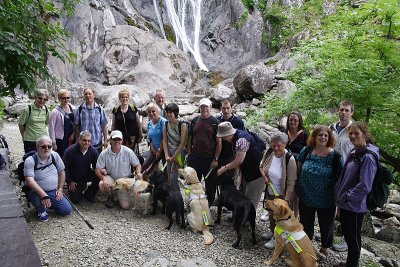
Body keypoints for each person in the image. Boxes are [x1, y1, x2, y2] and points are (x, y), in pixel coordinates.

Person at [334, 122, 377, 267]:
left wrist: (346, 197)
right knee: (349, 234)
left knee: (353, 237)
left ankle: (353, 264)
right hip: (347, 203)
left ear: (364, 134)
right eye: (350, 133)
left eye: (356, 133)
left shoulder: (368, 157)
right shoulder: (355, 150)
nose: (352, 136)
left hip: (355, 205)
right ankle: (350, 262)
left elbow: (365, 186)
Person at [297, 125, 342, 257]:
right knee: (305, 221)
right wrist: (297, 187)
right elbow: (299, 170)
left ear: (329, 138)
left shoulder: (335, 156)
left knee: (326, 223)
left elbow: (340, 176)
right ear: (314, 137)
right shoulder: (306, 151)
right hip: (306, 194)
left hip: (326, 197)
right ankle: (306, 243)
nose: (323, 137)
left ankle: (324, 246)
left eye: (326, 135)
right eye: (320, 135)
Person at [259, 131, 297, 249]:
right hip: (270, 191)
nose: (275, 148)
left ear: (285, 144)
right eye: (273, 145)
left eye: (278, 145)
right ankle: (272, 232)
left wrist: (286, 200)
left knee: (281, 217)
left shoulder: (289, 159)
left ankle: (278, 239)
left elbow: (291, 182)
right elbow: (261, 166)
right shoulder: (269, 152)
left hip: (283, 194)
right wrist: (265, 177)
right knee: (271, 213)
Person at [216, 122, 264, 210]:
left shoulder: (242, 140)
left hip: (257, 174)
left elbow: (239, 160)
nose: (223, 139)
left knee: (250, 199)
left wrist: (224, 168)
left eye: (223, 137)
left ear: (229, 134)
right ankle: (241, 218)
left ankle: (248, 222)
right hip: (247, 173)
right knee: (244, 196)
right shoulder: (236, 135)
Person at [23, 135, 72, 222]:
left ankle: (49, 203)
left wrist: (60, 189)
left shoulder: (55, 156)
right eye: (43, 146)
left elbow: (62, 172)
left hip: (53, 190)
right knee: (38, 199)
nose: (46, 148)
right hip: (36, 191)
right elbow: (29, 181)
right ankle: (41, 210)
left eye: (49, 146)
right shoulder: (30, 161)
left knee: (66, 210)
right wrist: (43, 195)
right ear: (37, 147)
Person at [330, 100, 354, 252]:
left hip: (348, 173)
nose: (343, 112)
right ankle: (328, 233)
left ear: (352, 112)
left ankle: (346, 239)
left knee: (346, 207)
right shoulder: (331, 128)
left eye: (346, 110)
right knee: (330, 204)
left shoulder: (354, 130)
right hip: (331, 172)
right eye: (341, 110)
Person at [96, 130, 143, 209]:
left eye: (119, 139)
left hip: (124, 181)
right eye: (114, 139)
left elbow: (137, 164)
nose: (117, 141)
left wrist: (138, 173)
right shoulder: (104, 153)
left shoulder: (128, 151)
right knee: (101, 184)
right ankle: (110, 196)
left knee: (125, 206)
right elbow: (97, 170)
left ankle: (118, 195)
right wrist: (103, 178)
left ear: (122, 140)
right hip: (111, 178)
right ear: (110, 140)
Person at [188, 98, 221, 206]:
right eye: (202, 106)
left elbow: (219, 142)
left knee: (210, 184)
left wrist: (216, 159)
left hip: (209, 158)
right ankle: (194, 203)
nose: (204, 109)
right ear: (199, 107)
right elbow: (190, 138)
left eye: (206, 106)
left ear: (210, 107)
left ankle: (208, 204)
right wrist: (189, 153)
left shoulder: (215, 122)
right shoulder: (194, 121)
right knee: (193, 182)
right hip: (195, 157)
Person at [282, 111, 308, 219]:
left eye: (295, 120)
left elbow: (308, 152)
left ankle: (295, 216)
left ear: (299, 121)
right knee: (283, 189)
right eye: (291, 120)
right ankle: (283, 212)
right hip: (283, 165)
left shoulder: (305, 135)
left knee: (296, 192)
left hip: (298, 167)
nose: (293, 122)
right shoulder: (283, 132)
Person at [63, 130, 99, 204]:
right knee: (75, 199)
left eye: (89, 141)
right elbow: (64, 168)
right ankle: (80, 188)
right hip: (74, 179)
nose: (87, 143)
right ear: (79, 140)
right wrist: (69, 181)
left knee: (99, 176)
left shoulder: (93, 151)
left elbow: (97, 166)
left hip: (86, 175)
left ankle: (89, 193)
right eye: (84, 140)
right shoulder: (70, 150)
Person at [216, 99, 245, 189]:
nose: (226, 111)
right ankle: (222, 197)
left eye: (228, 108)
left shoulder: (238, 121)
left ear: (232, 108)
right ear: (220, 108)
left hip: (232, 154)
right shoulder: (217, 120)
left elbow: (242, 139)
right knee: (220, 178)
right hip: (220, 154)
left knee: (230, 179)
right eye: (224, 108)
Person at [74, 87, 109, 154]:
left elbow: (104, 125)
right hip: (83, 142)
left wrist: (105, 140)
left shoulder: (100, 109)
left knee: (96, 162)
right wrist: (77, 139)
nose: (88, 96)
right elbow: (77, 125)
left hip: (97, 141)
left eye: (90, 94)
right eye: (86, 94)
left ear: (94, 95)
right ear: (84, 96)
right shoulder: (80, 109)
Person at [162, 103, 188, 190]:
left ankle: (177, 196)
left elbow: (182, 143)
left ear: (175, 113)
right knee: (169, 174)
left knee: (175, 175)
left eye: (170, 112)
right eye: (167, 112)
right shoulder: (166, 124)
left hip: (179, 153)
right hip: (169, 151)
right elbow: (165, 140)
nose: (168, 114)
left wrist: (174, 156)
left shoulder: (182, 125)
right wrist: (166, 155)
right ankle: (172, 195)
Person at [48, 89, 75, 158]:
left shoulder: (72, 108)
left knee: (72, 156)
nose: (66, 100)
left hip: (71, 137)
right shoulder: (55, 112)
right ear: (59, 99)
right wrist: (53, 143)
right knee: (62, 157)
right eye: (63, 98)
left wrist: (74, 134)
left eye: (67, 98)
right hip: (61, 139)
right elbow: (51, 128)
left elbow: (76, 123)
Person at [142, 103, 167, 176]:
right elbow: (149, 138)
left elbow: (164, 137)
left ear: (157, 111)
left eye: (153, 111)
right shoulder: (149, 123)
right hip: (154, 150)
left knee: (166, 172)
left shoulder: (163, 122)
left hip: (164, 150)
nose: (151, 113)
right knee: (144, 167)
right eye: (149, 112)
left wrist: (159, 150)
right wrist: (152, 148)